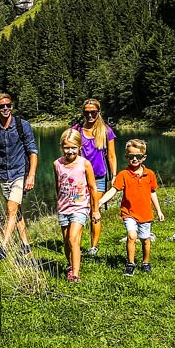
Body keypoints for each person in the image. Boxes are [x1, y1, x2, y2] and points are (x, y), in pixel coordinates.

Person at [0, 93, 39, 261]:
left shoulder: (22, 125)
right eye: (2, 106)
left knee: (11, 210)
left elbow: (32, 151)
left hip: (20, 173)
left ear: (12, 106)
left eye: (8, 105)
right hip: (3, 175)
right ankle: (26, 246)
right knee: (16, 211)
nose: (6, 108)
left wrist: (31, 175)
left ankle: (3, 247)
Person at [96, 138, 165, 276]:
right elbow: (113, 190)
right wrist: (100, 201)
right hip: (129, 213)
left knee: (145, 239)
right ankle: (130, 264)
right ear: (126, 157)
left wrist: (159, 210)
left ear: (143, 157)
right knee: (132, 236)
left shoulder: (149, 174)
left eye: (138, 156)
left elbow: (153, 193)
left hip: (145, 213)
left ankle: (146, 262)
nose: (134, 159)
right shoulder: (123, 174)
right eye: (130, 156)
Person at [73, 98, 117, 257]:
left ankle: (93, 247)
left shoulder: (106, 131)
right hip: (80, 179)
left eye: (93, 112)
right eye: (86, 112)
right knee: (79, 210)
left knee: (94, 209)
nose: (90, 115)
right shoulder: (76, 130)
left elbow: (111, 156)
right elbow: (70, 152)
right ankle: (75, 243)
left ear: (99, 112)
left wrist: (114, 176)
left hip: (99, 177)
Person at [55, 129, 100, 282]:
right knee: (66, 239)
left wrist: (95, 210)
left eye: (73, 147)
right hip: (63, 207)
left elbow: (93, 188)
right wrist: (59, 203)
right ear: (62, 147)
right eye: (66, 147)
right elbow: (58, 186)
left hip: (80, 207)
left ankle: (75, 274)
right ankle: (70, 265)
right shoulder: (57, 164)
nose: (70, 151)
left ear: (80, 147)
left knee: (74, 238)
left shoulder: (84, 164)